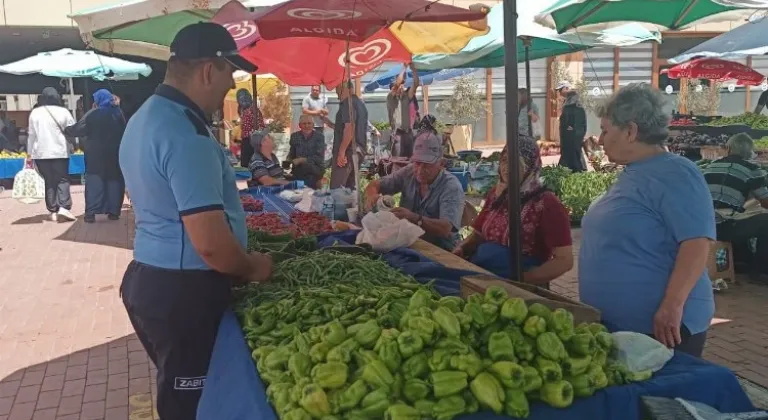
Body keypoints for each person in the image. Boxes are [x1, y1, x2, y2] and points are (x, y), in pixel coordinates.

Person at [118, 22, 272, 420]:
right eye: (229, 74)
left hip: (153, 279)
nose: (229, 88)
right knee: (192, 404)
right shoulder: (186, 135)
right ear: (209, 69)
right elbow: (210, 245)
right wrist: (254, 266)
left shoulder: (144, 119)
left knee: (178, 390)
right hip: (184, 290)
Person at [579, 83, 715, 357]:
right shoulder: (634, 172)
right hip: (626, 327)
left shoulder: (677, 173)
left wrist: (671, 306)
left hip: (662, 330)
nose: (600, 139)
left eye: (605, 130)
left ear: (631, 131)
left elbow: (697, 244)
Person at [454, 141, 573, 282]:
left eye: (515, 161)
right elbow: (478, 234)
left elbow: (564, 260)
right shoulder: (496, 195)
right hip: (482, 272)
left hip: (518, 283)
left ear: (530, 166)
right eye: (504, 160)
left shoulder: (547, 204)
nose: (506, 167)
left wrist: (524, 279)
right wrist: (463, 247)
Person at [363, 128, 465, 251]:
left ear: (441, 163)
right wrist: (372, 196)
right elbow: (375, 184)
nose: (420, 170)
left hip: (442, 249)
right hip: (411, 242)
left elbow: (445, 229)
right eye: (418, 163)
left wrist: (415, 219)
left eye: (427, 164)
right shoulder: (409, 172)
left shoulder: (451, 187)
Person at [702, 133, 768, 281]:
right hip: (722, 227)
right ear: (750, 151)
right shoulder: (752, 170)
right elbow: (765, 202)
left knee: (739, 214)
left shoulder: (711, 166)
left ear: (728, 148)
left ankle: (740, 261)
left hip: (702, 225)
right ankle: (761, 271)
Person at [64, 89, 127, 223]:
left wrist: (66, 129)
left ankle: (91, 213)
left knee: (94, 181)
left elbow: (78, 130)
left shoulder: (93, 114)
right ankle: (114, 212)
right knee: (114, 181)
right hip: (114, 153)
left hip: (95, 154)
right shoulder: (118, 113)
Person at [27, 87, 76, 222]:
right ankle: (64, 207)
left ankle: (52, 211)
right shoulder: (63, 112)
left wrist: (29, 153)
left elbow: (31, 135)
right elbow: (72, 129)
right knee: (62, 179)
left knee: (49, 180)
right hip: (60, 151)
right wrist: (74, 143)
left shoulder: (35, 113)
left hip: (41, 153)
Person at [325, 81, 368, 189]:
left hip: (348, 152)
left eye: (337, 89)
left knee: (337, 189)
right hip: (358, 151)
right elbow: (346, 127)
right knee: (350, 190)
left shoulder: (347, 103)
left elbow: (350, 128)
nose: (336, 93)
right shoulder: (360, 104)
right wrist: (328, 123)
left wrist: (341, 152)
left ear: (344, 88)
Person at [556, 81, 587, 172]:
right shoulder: (570, 105)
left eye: (560, 90)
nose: (559, 93)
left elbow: (574, 122)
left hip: (571, 137)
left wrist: (571, 129)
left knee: (573, 155)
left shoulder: (573, 106)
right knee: (575, 154)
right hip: (571, 137)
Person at [287, 115, 326, 188]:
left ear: (313, 125)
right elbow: (292, 153)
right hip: (298, 171)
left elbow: (319, 158)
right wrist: (288, 162)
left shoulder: (319, 137)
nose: (307, 126)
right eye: (304, 123)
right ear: (299, 125)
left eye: (309, 123)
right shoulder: (294, 136)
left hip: (315, 170)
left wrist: (303, 160)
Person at [236, 88, 265, 167]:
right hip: (246, 140)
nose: (243, 101)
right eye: (240, 99)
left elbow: (261, 127)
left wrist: (255, 136)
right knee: (246, 164)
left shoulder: (253, 110)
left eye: (245, 98)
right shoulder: (244, 111)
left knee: (251, 164)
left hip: (253, 141)